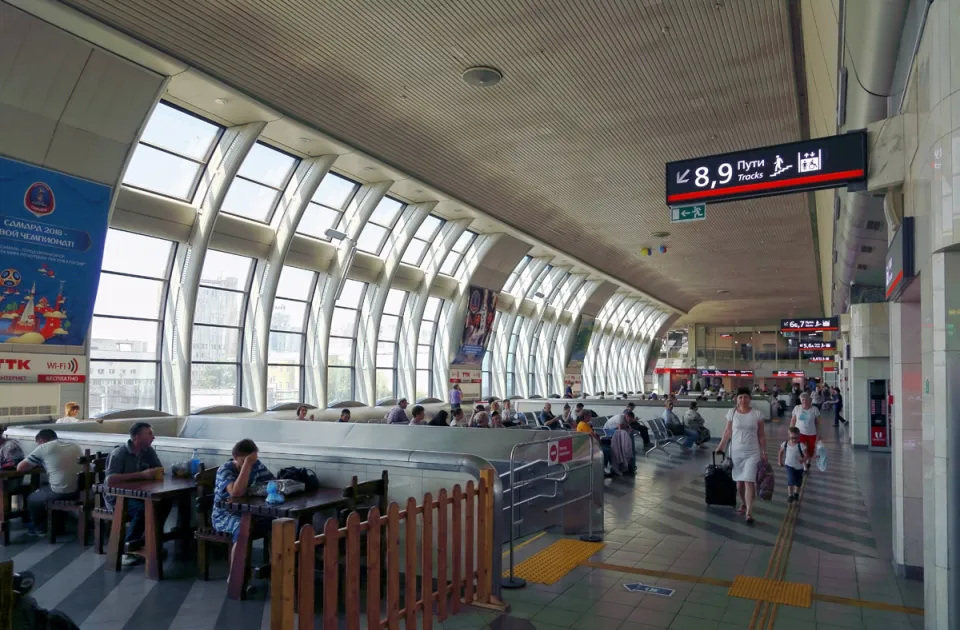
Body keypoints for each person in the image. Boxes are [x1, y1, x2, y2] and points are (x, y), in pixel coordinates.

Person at [104, 422, 169, 565]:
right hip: (118, 497)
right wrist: (142, 475)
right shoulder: (119, 453)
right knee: (142, 510)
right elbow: (110, 480)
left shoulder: (148, 451)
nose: (154, 437)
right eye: (150, 434)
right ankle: (129, 548)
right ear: (138, 437)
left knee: (165, 503)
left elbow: (158, 468)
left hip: (140, 494)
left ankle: (151, 541)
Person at [212, 439, 275, 571]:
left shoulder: (256, 465)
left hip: (250, 513)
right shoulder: (224, 470)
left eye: (252, 460)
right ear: (235, 457)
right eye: (245, 460)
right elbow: (236, 492)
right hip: (224, 515)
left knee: (276, 524)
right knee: (242, 528)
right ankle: (235, 577)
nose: (251, 464)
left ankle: (275, 571)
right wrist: (247, 464)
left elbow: (272, 482)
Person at [17, 429, 82, 537]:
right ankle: (58, 526)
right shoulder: (74, 446)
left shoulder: (44, 447)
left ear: (42, 440)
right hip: (79, 490)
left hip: (61, 491)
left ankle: (40, 529)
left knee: (33, 499)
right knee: (45, 487)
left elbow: (20, 468)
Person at [716, 387, 767, 524]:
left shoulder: (757, 414)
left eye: (745, 397)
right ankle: (744, 503)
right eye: (740, 397)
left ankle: (749, 512)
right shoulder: (731, 413)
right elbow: (727, 431)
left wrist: (764, 452)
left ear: (750, 399)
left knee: (749, 481)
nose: (743, 400)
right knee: (739, 484)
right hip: (736, 451)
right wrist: (720, 447)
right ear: (736, 399)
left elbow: (761, 436)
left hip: (753, 451)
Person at [790, 392, 820, 471]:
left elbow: (818, 423)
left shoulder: (814, 409)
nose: (804, 402)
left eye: (806, 400)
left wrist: (819, 434)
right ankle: (804, 466)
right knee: (801, 449)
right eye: (802, 400)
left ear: (809, 400)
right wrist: (791, 431)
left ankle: (808, 460)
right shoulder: (797, 408)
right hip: (800, 433)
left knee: (810, 450)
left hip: (811, 433)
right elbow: (793, 420)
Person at [779, 427, 809, 503]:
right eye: (793, 438)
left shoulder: (801, 445)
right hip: (789, 465)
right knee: (791, 479)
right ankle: (790, 495)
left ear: (799, 437)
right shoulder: (785, 444)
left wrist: (803, 459)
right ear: (789, 436)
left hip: (799, 467)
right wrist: (780, 461)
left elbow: (807, 455)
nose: (795, 440)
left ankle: (796, 493)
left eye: (797, 438)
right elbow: (780, 452)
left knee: (798, 482)